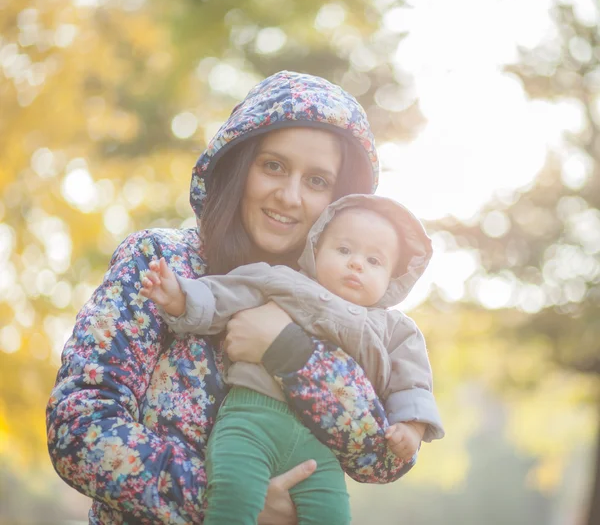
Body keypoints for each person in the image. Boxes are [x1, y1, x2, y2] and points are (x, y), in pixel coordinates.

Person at [46, 71, 433, 524]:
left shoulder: (348, 309)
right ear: (238, 164)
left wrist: (290, 351)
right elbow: (80, 426)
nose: (289, 196)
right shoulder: (161, 262)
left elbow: (382, 457)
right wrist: (226, 502)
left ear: (340, 200)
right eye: (273, 166)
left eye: (316, 181)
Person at [140, 193, 445, 524]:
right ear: (315, 248)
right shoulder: (282, 280)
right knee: (233, 492)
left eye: (374, 261)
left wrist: (412, 427)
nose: (357, 263)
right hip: (252, 418)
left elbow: (412, 381)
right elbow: (224, 293)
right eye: (344, 250)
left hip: (322, 446)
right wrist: (180, 296)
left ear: (393, 279)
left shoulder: (394, 329)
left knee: (332, 515)